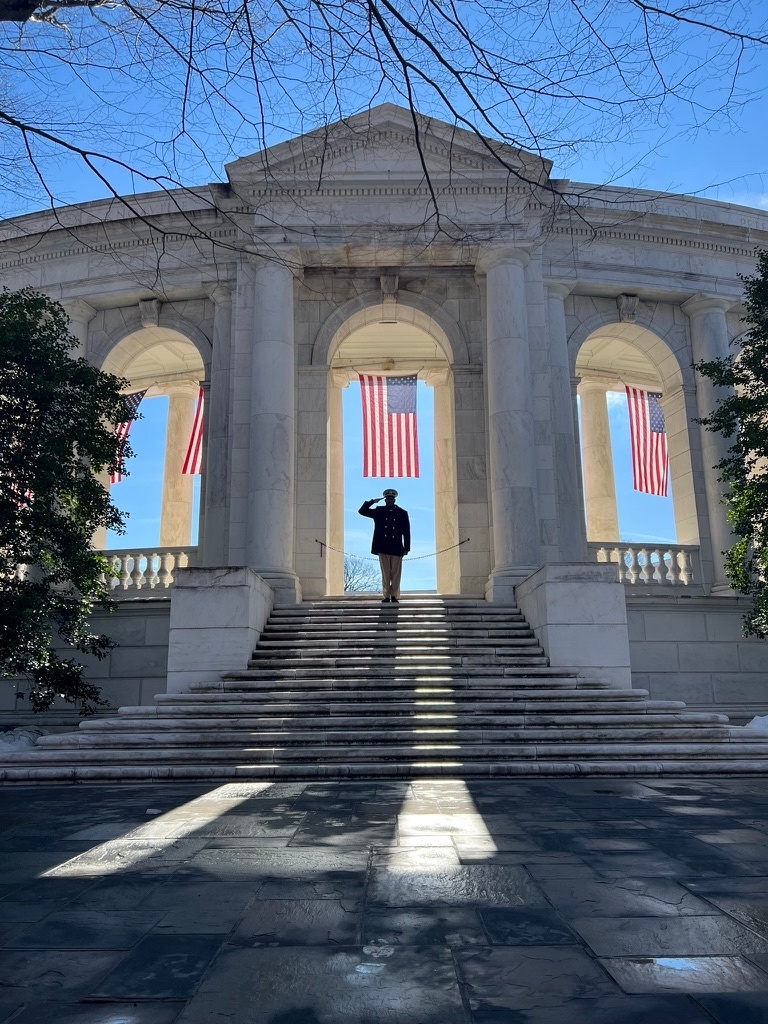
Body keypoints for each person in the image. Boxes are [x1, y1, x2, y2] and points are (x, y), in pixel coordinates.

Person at [358, 488, 411, 603]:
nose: (389, 501)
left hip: (396, 547)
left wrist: (407, 548)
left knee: (396, 574)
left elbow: (406, 531)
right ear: (385, 500)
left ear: (394, 500)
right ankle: (386, 595)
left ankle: (395, 595)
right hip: (383, 547)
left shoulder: (402, 513)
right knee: (385, 573)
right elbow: (362, 511)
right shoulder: (379, 511)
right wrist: (372, 501)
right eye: (387, 499)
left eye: (391, 499)